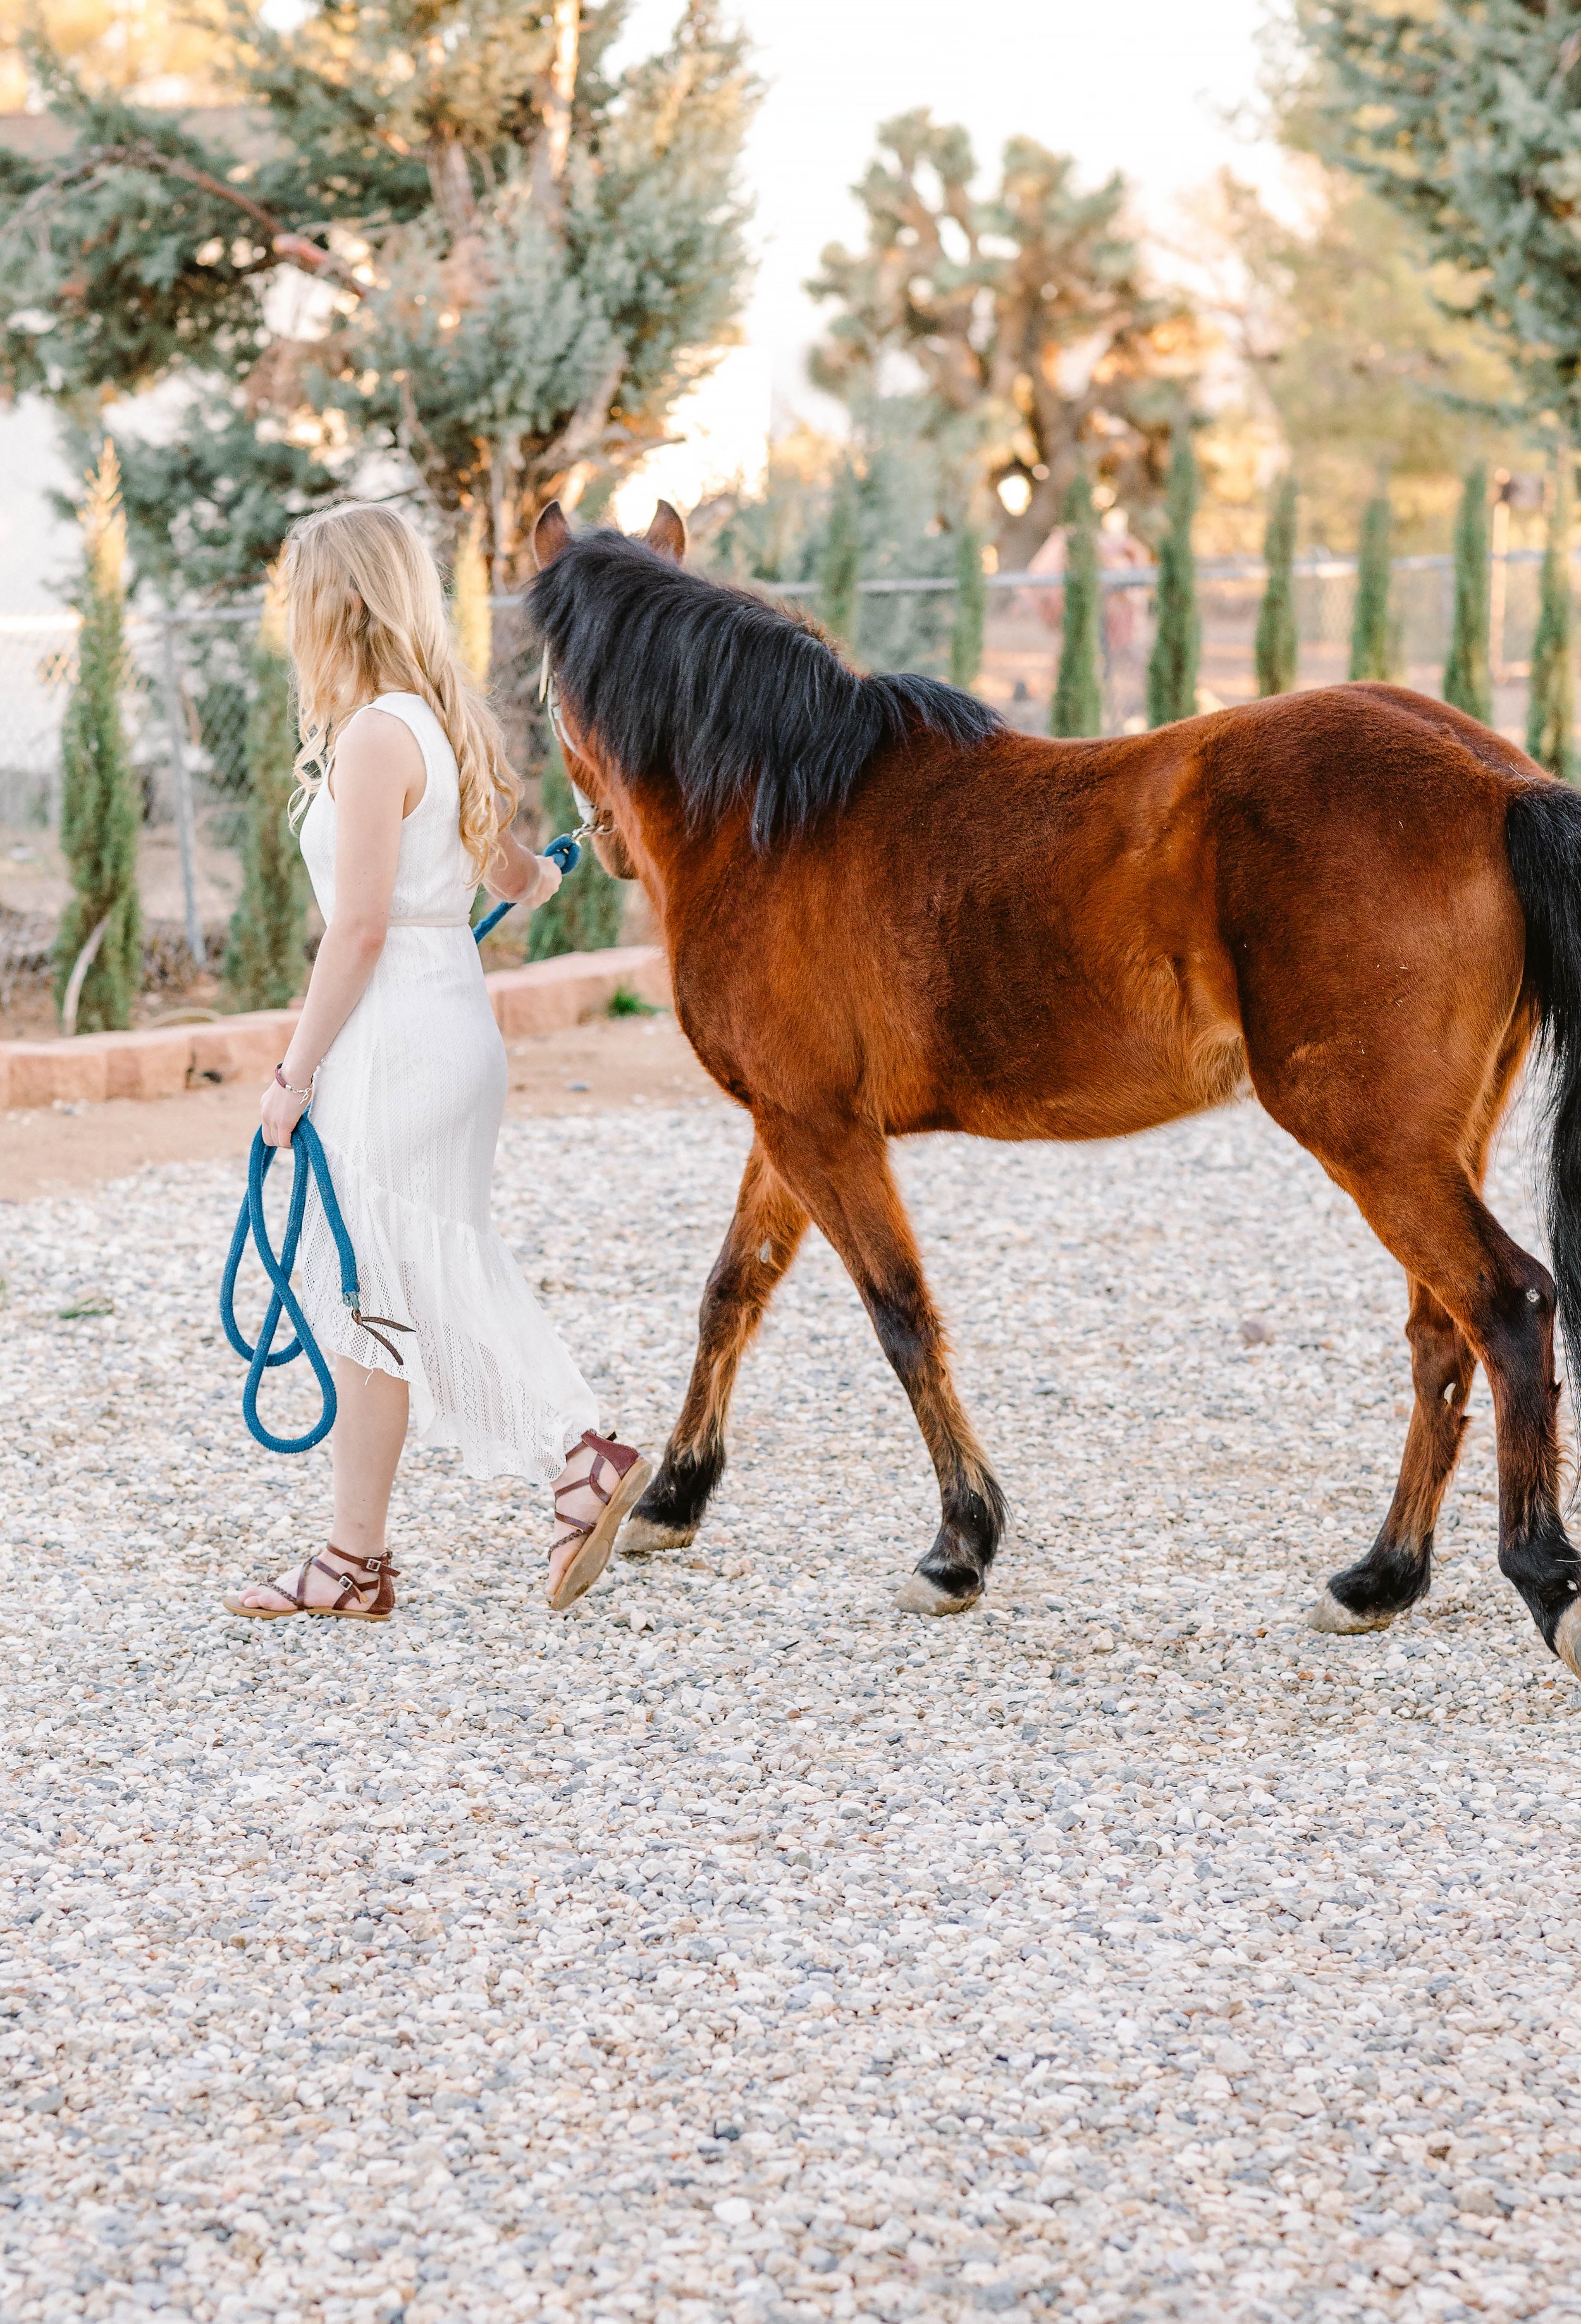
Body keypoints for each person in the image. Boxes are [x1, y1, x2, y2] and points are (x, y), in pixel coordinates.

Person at [223, 504, 649, 1623]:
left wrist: (291, 1078)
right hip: (448, 1018)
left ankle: (579, 1446)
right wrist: (542, 872)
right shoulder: (437, 722)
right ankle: (352, 1559)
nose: (289, 621)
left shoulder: (371, 736)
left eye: (299, 597)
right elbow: (514, 874)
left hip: (393, 1035)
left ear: (338, 604)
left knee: (415, 1274)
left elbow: (358, 927)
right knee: (385, 1289)